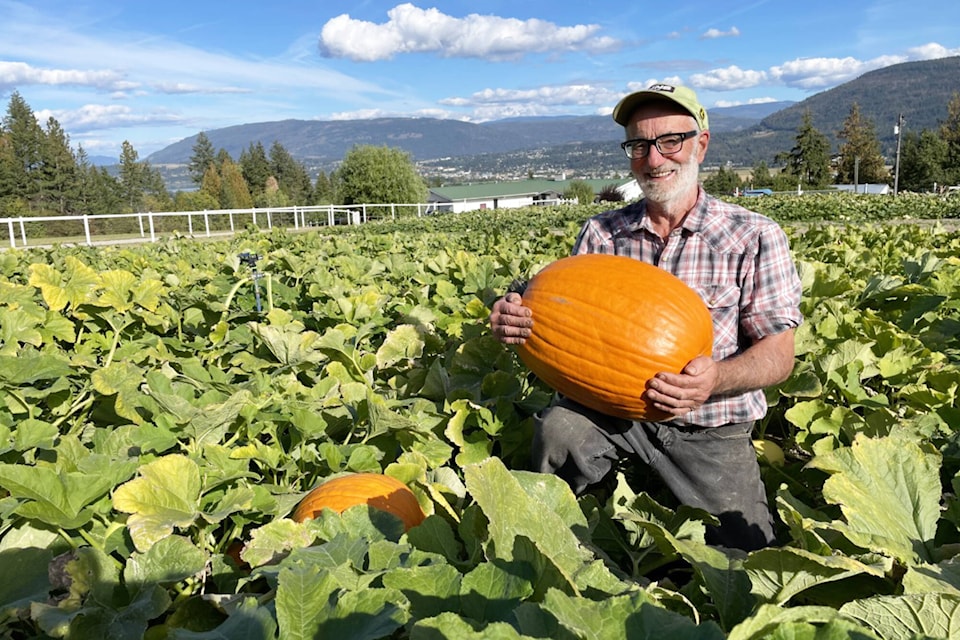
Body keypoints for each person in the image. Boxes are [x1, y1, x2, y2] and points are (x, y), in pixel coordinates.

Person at [489, 83, 803, 551]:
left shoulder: (754, 235)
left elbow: (779, 354)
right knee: (558, 431)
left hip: (710, 425)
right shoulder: (602, 233)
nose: (654, 159)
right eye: (639, 145)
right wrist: (516, 320)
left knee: (749, 556)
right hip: (611, 411)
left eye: (670, 141)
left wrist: (714, 378)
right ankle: (558, 548)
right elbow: (558, 321)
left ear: (702, 143)